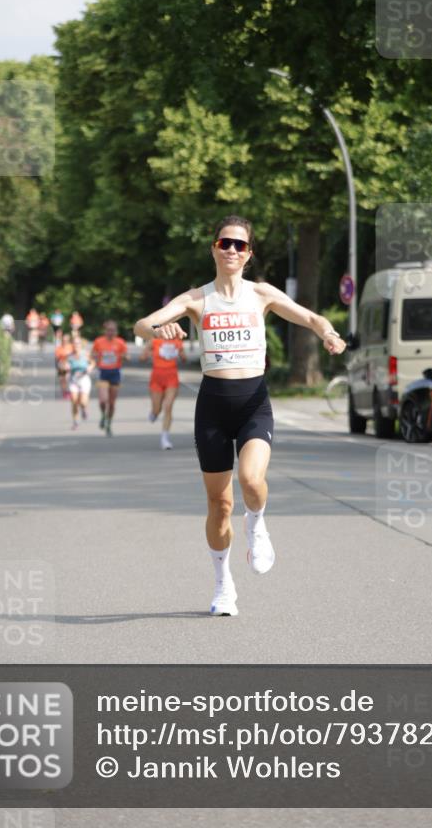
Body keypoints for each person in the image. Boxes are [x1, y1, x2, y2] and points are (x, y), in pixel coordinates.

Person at [134, 215, 346, 617]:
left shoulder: (261, 294)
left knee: (251, 480)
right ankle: (223, 585)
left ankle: (259, 522)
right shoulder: (197, 299)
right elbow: (143, 322)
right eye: (225, 243)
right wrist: (158, 330)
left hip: (253, 403)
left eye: (240, 245)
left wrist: (329, 334)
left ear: (248, 255)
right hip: (213, 407)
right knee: (220, 505)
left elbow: (311, 318)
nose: (232, 250)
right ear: (214, 248)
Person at [142, 334, 186, 450]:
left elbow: (184, 358)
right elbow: (142, 358)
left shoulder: (177, 341)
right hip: (156, 378)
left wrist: (181, 354)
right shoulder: (154, 340)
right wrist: (148, 353)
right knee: (157, 409)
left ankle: (165, 439)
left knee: (168, 406)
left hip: (172, 377)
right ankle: (154, 413)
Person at [90, 320, 129, 436]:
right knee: (103, 400)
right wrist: (95, 356)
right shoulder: (99, 342)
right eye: (108, 330)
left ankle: (109, 423)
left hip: (115, 372)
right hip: (103, 372)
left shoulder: (120, 342)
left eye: (113, 330)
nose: (110, 332)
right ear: (105, 331)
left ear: (116, 331)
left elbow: (127, 356)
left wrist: (124, 356)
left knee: (111, 403)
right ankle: (103, 415)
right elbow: (92, 354)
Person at [66, 338, 95, 430]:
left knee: (82, 402)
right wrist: (66, 367)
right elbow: (64, 365)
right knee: (74, 401)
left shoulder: (85, 354)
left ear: (81, 345)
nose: (76, 345)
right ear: (72, 345)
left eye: (78, 344)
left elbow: (93, 362)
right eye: (74, 344)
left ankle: (83, 409)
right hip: (73, 380)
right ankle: (75, 422)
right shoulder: (69, 356)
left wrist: (90, 367)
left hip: (84, 380)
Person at [54, 332, 73, 398]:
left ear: (69, 340)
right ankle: (64, 392)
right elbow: (57, 358)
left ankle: (69, 391)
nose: (65, 341)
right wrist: (58, 366)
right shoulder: (59, 348)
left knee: (68, 379)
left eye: (66, 340)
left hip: (70, 365)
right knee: (62, 379)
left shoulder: (72, 347)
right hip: (61, 365)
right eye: (64, 340)